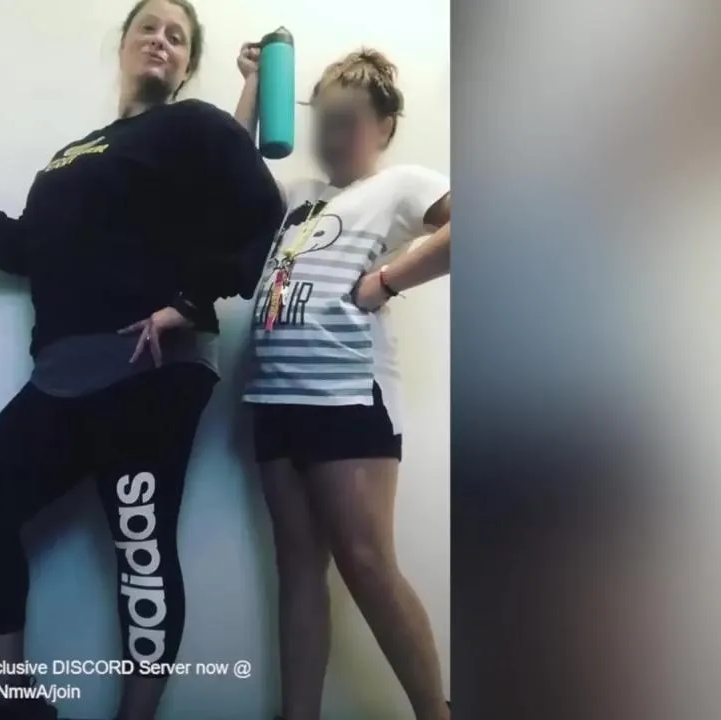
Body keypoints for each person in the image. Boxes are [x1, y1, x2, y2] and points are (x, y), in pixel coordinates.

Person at [0, 2, 285, 718]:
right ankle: (7, 698)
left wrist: (191, 300)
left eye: (177, 37)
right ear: (122, 43)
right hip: (62, 372)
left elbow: (260, 212)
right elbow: (23, 249)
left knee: (140, 548)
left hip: (151, 368)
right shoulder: (70, 157)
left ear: (187, 65)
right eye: (148, 27)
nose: (161, 40)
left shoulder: (195, 125)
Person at [232, 44, 452, 720]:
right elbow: (224, 176)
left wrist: (387, 280)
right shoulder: (296, 196)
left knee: (367, 564)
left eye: (347, 120)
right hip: (274, 401)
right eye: (323, 119)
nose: (331, 134)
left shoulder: (402, 183)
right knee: (298, 570)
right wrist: (252, 84)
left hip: (348, 398)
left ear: (384, 126)